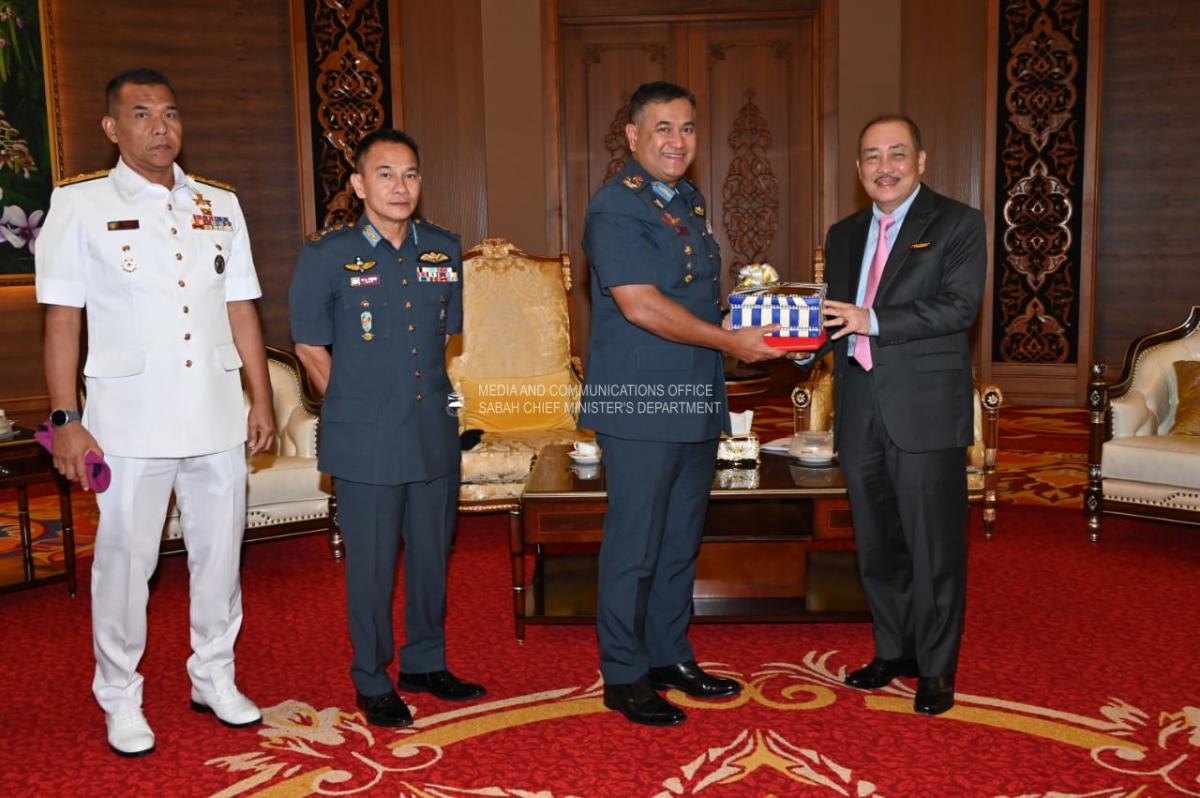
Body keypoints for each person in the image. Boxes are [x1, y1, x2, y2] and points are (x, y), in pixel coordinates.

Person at [35, 68, 274, 757]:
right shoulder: (78, 204)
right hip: (129, 423)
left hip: (215, 415)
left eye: (169, 113)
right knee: (124, 566)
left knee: (220, 559)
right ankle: (119, 694)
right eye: (141, 115)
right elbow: (62, 321)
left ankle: (214, 675)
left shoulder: (219, 204)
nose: (160, 127)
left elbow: (240, 306)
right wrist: (64, 420)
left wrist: (259, 396)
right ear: (112, 128)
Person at [580, 81, 783, 726]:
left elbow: (694, 299)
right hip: (640, 398)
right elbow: (640, 306)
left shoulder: (687, 200)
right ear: (633, 135)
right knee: (635, 544)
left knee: (678, 541)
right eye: (662, 128)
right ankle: (624, 673)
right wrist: (731, 342)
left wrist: (758, 326)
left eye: (688, 128)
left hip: (694, 392)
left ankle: (668, 655)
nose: (677, 140)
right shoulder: (616, 206)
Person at [289, 129, 484, 729]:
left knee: (431, 556)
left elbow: (443, 339)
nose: (401, 186)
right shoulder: (326, 255)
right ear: (358, 184)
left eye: (411, 174)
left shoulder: (443, 249)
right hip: (366, 438)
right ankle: (372, 678)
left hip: (432, 429)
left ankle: (425, 662)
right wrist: (356, 405)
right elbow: (309, 346)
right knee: (371, 567)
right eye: (385, 174)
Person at [815, 114, 986, 715]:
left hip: (924, 409)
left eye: (896, 154)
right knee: (877, 541)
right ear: (858, 168)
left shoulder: (958, 222)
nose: (883, 167)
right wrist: (784, 339)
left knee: (933, 544)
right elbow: (833, 318)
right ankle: (894, 649)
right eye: (871, 156)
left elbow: (959, 306)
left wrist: (873, 319)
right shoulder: (842, 234)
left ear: (920, 161)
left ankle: (936, 669)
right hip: (859, 404)